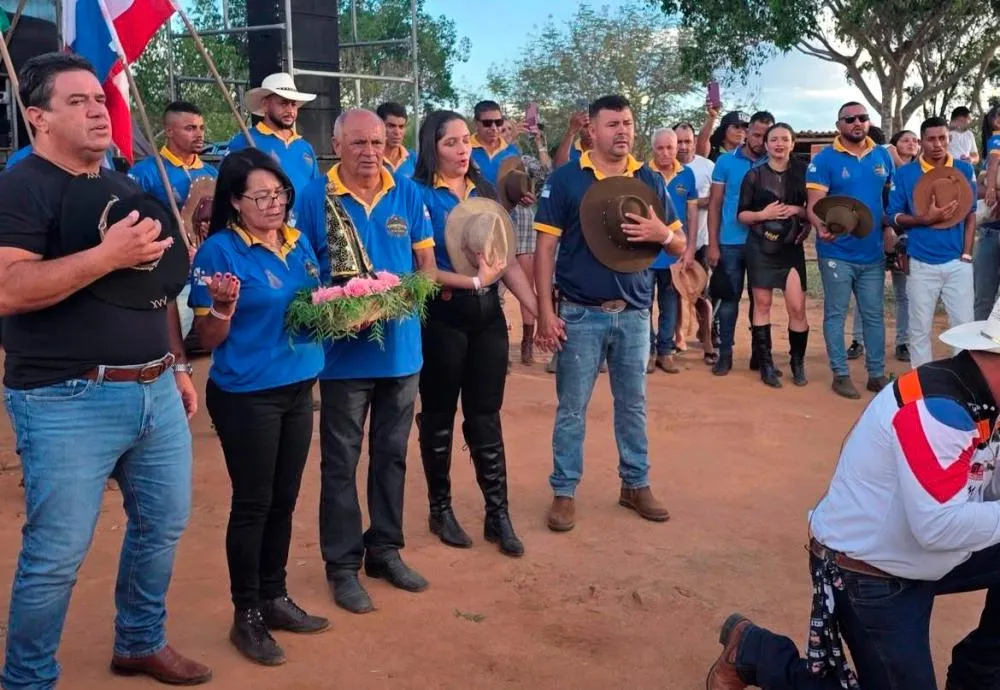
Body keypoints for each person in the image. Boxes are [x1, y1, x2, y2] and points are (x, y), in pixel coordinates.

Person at [0, 52, 210, 688]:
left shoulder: (119, 184)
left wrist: (174, 364)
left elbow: (153, 291)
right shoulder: (21, 185)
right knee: (57, 556)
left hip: (154, 389)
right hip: (66, 400)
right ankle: (27, 679)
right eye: (77, 102)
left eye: (99, 99)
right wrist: (106, 254)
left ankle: (140, 642)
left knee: (162, 526)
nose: (98, 109)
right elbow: (9, 288)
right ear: (37, 117)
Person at [705, 296, 1000, 690]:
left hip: (918, 554)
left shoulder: (983, 399)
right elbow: (939, 528)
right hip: (870, 571)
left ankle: (982, 674)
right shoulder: (938, 410)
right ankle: (755, 652)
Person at [188, 147, 327, 664]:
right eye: (261, 196)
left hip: (298, 387)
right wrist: (223, 307)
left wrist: (345, 314)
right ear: (235, 203)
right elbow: (205, 336)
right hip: (247, 394)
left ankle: (274, 596)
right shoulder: (219, 254)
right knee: (254, 504)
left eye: (280, 193)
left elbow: (310, 308)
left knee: (284, 501)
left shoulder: (299, 243)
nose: (274, 204)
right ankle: (245, 613)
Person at [296, 109, 437, 613]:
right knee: (341, 462)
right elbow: (304, 272)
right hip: (343, 359)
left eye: (376, 141)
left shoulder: (408, 192)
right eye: (357, 142)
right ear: (336, 143)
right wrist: (335, 308)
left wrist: (409, 295)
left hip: (402, 353)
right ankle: (341, 565)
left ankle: (385, 549)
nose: (369, 151)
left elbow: (427, 266)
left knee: (392, 456)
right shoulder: (315, 197)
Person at [535, 95, 686, 532]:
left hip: (636, 312)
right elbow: (545, 247)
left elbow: (676, 247)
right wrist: (546, 311)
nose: (623, 131)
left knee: (633, 404)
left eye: (629, 123)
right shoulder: (566, 180)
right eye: (613, 124)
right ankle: (564, 491)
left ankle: (635, 484)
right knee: (572, 407)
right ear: (593, 131)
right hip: (581, 313)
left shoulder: (649, 180)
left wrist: (662, 233)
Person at [412, 109, 536, 557]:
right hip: (442, 318)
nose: (463, 149)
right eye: (451, 143)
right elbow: (419, 271)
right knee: (440, 415)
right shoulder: (418, 195)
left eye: (466, 141)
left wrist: (534, 307)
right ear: (432, 148)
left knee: (486, 414)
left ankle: (496, 513)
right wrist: (476, 281)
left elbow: (504, 262)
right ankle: (440, 507)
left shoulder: (484, 191)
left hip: (487, 318)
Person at [806, 101, 894, 399]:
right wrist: (820, 227)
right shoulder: (825, 159)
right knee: (836, 313)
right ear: (839, 125)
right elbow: (813, 204)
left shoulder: (882, 155)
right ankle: (840, 374)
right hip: (836, 252)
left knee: (873, 314)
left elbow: (890, 198)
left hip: (873, 254)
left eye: (863, 118)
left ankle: (877, 374)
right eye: (850, 119)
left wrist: (890, 229)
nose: (858, 123)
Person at [887, 116, 976, 368]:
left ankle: (964, 386)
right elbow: (893, 216)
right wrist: (924, 219)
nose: (937, 144)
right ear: (921, 141)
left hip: (958, 263)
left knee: (963, 329)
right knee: (919, 329)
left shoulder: (964, 169)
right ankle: (922, 384)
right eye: (931, 139)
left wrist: (967, 254)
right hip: (921, 263)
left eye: (942, 138)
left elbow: (970, 214)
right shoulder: (905, 174)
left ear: (949, 139)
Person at [130, 100, 218, 341]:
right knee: (164, 346)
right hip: (166, 278)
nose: (199, 134)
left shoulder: (212, 174)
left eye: (201, 127)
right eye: (190, 128)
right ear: (169, 131)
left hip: (206, 273)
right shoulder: (145, 173)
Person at [736, 123, 810, 388]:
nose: (779, 144)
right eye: (774, 139)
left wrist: (796, 211)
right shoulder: (754, 176)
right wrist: (763, 215)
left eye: (785, 139)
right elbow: (741, 215)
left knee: (797, 307)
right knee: (762, 304)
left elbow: (811, 210)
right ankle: (766, 364)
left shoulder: (803, 173)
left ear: (792, 143)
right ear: (765, 145)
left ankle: (797, 363)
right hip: (761, 248)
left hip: (790, 248)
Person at [707, 110, 774, 376]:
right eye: (756, 134)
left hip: (765, 243)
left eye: (766, 136)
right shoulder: (725, 162)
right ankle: (725, 354)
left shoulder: (776, 161)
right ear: (747, 133)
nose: (761, 141)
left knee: (761, 300)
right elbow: (714, 204)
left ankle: (760, 355)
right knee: (728, 300)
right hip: (730, 242)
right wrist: (713, 244)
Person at [848, 129, 917, 363]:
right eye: (905, 139)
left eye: (915, 140)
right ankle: (858, 340)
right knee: (867, 294)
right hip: (876, 238)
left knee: (904, 295)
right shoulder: (883, 160)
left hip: (904, 239)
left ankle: (903, 343)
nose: (912, 143)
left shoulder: (917, 174)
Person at [227, 72, 321, 219]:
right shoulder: (243, 142)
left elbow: (315, 193)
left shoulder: (305, 147)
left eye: (293, 104)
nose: (290, 110)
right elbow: (228, 190)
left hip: (303, 233)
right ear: (265, 105)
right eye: (283, 103)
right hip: (262, 230)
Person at [646, 127, 698, 374]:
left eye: (670, 147)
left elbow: (692, 215)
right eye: (660, 148)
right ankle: (647, 351)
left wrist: (688, 250)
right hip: (644, 254)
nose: (665, 153)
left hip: (673, 254)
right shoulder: (641, 174)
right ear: (653, 149)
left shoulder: (687, 175)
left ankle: (665, 352)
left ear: (678, 148)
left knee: (669, 305)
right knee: (643, 306)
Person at [675, 121, 717, 364]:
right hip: (672, 243)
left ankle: (708, 338)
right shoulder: (666, 167)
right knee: (673, 293)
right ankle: (677, 336)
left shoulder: (707, 167)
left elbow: (716, 199)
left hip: (701, 241)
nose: (682, 146)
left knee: (701, 294)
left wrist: (695, 202)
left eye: (687, 141)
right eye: (678, 141)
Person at [469, 100, 520, 185]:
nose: (494, 128)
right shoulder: (465, 149)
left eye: (498, 122)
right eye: (487, 123)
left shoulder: (512, 151)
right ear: (476, 123)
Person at [377, 101, 416, 178]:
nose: (397, 132)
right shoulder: (371, 158)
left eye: (401, 127)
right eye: (391, 126)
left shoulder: (414, 159)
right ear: (378, 126)